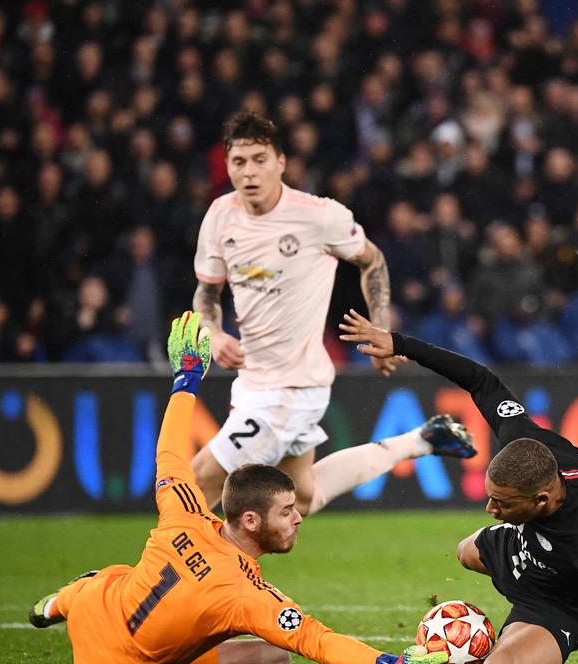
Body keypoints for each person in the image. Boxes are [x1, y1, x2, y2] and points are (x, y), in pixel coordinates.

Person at [27, 312, 454, 664]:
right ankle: (66, 599)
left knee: (113, 580)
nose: (298, 519)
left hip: (94, 607)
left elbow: (170, 455)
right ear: (250, 520)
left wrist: (185, 380)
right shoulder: (244, 596)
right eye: (286, 513)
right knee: (277, 655)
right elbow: (315, 638)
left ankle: (51, 606)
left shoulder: (183, 515)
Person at [338, 310, 578, 664]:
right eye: (490, 497)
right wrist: (401, 344)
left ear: (541, 499)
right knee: (466, 552)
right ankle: (490, 632)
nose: (490, 509)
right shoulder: (522, 438)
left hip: (561, 601)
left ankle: (487, 651)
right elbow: (482, 380)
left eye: (502, 503)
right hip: (522, 546)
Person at [190, 110, 474, 513]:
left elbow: (372, 261)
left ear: (281, 162)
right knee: (304, 497)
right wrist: (214, 334)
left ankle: (160, 577)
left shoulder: (318, 216)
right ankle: (422, 440)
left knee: (195, 485)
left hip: (292, 388)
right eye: (239, 162)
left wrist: (383, 333)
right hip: (252, 380)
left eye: (259, 160)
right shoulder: (221, 215)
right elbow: (207, 291)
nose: (249, 172)